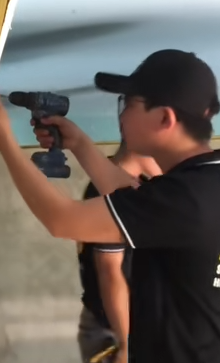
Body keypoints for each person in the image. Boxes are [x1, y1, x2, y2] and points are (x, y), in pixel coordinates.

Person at [0, 49, 220, 363]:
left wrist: (4, 138)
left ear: (164, 118)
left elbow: (61, 220)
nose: (122, 116)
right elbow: (136, 199)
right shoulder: (215, 185)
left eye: (128, 104)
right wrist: (79, 143)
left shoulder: (189, 198)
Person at [77, 141, 161, 363]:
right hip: (115, 328)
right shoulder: (107, 193)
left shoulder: (142, 186)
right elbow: (110, 272)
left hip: (139, 325)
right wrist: (125, 346)